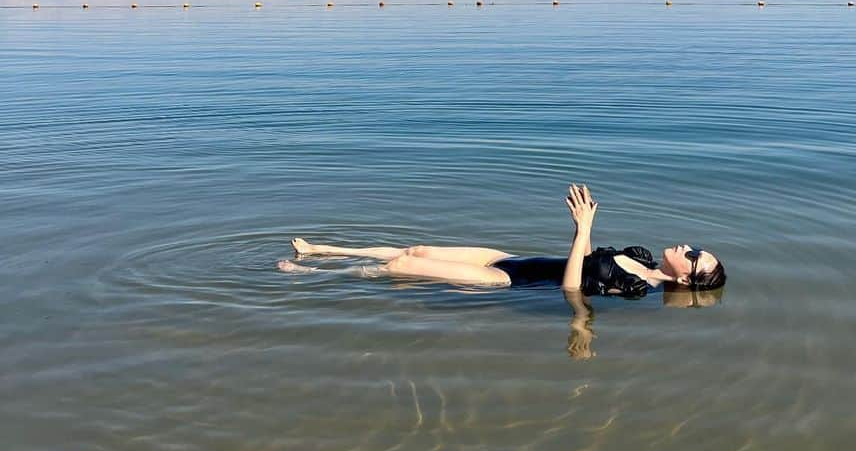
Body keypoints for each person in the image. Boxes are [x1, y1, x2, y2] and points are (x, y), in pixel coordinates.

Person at [278, 182, 726, 299]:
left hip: (508, 282)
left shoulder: (638, 290)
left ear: (685, 281)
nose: (685, 247)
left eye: (692, 257)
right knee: (416, 250)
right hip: (514, 259)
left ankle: (315, 273)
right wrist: (584, 231)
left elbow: (572, 288)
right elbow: (587, 265)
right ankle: (325, 249)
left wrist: (582, 231)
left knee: (400, 269)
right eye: (693, 247)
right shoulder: (639, 258)